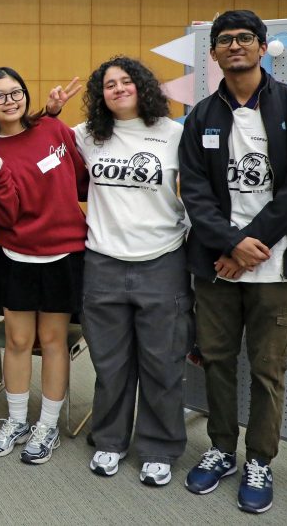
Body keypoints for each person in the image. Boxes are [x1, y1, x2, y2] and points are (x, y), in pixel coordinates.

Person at [178, 10, 287, 513]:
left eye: (245, 38)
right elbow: (196, 193)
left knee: (268, 369)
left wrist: (250, 245)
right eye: (225, 40)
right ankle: (222, 449)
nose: (234, 46)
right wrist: (229, 243)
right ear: (214, 54)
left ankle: (261, 459)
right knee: (219, 361)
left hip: (277, 261)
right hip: (219, 262)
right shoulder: (201, 116)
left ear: (263, 46)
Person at [71, 57, 192, 486]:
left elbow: (199, 191)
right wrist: (48, 112)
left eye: (126, 81)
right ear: (99, 95)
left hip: (162, 259)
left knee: (162, 362)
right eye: (109, 84)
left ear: (142, 86)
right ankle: (109, 439)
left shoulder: (174, 133)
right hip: (103, 261)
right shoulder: (87, 135)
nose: (118, 88)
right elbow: (40, 146)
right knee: (110, 363)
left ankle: (158, 447)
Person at [0, 70, 87, 465]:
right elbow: (5, 214)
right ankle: (16, 420)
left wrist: (50, 114)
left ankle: (46, 426)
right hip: (16, 255)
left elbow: (81, 182)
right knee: (16, 342)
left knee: (52, 342)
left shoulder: (53, 128)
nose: (10, 100)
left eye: (15, 92)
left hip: (64, 253)